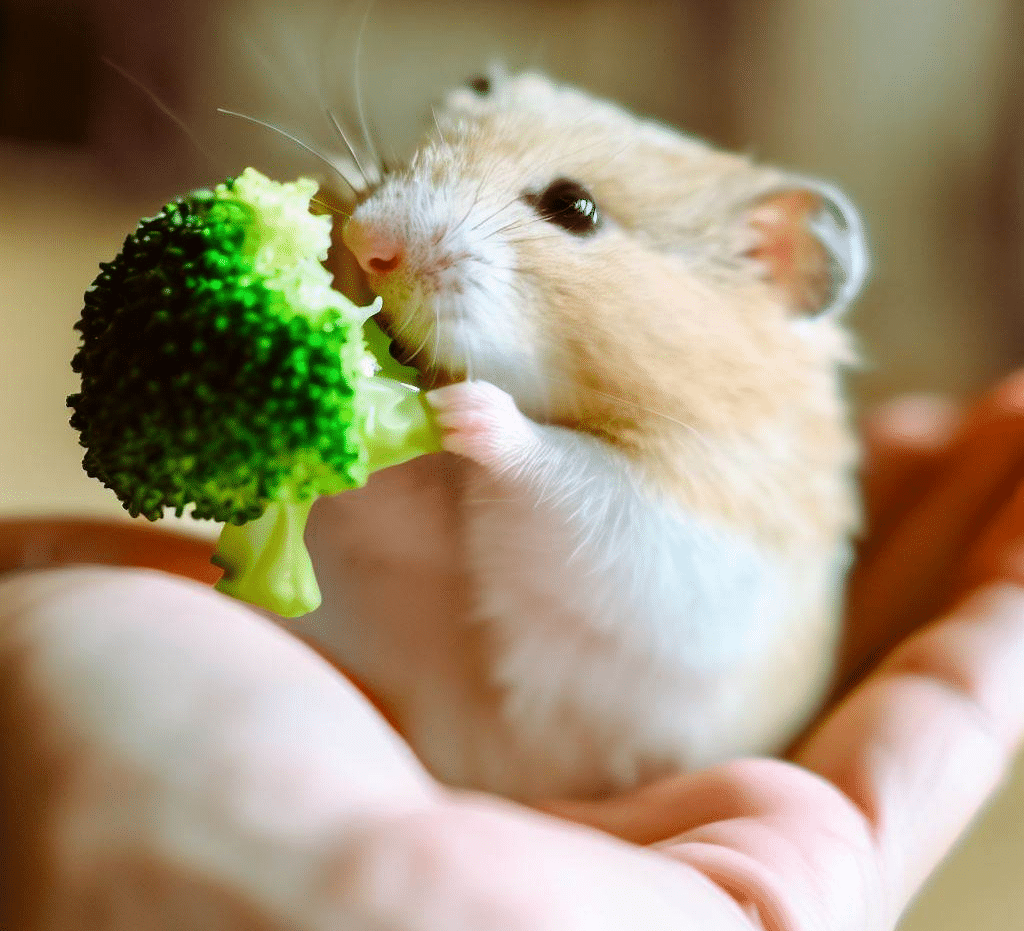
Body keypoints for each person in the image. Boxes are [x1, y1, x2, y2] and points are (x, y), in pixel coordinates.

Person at [2, 375, 1024, 930]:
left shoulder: (741, 452)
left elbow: (662, 601)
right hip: (410, 730)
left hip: (660, 743)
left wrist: (536, 463)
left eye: (568, 208)